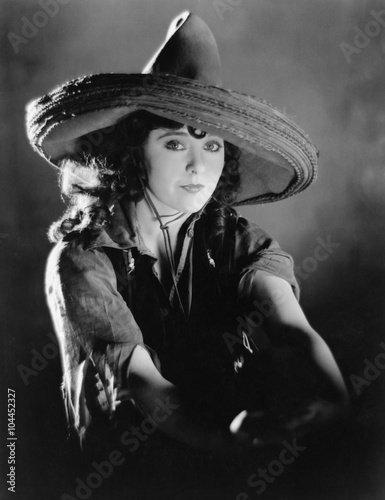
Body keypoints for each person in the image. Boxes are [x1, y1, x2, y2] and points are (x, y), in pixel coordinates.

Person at [26, 10, 348, 491]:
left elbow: (290, 327)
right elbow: (143, 386)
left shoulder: (236, 241)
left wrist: (332, 405)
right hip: (125, 474)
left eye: (214, 146)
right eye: (175, 143)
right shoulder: (83, 260)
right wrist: (229, 441)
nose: (200, 165)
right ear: (133, 152)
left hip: (231, 464)